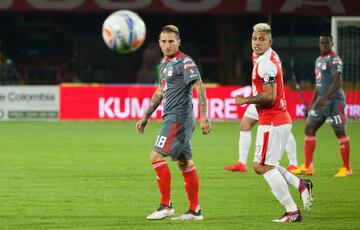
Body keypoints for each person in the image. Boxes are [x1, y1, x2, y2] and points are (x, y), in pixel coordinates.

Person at [234, 23, 313, 222]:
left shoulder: (266, 63)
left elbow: (269, 96)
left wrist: (246, 100)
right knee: (268, 164)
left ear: (270, 41)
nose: (257, 43)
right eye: (254, 39)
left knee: (262, 167)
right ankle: (301, 184)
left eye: (262, 39)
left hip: (273, 120)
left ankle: (292, 211)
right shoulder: (268, 57)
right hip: (276, 119)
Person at [136, 25, 212, 221]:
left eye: (171, 41)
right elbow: (160, 92)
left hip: (178, 118)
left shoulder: (185, 62)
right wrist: (145, 116)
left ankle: (165, 206)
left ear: (178, 42)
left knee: (155, 156)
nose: (167, 45)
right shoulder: (164, 63)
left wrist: (204, 117)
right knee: (184, 162)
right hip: (174, 118)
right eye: (163, 41)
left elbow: (199, 87)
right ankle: (195, 211)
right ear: (159, 43)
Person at [291, 34, 351, 177]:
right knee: (309, 129)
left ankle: (346, 168)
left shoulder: (335, 60)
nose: (324, 45)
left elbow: (337, 83)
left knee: (340, 132)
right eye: (321, 42)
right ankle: (308, 166)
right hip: (321, 101)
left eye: (326, 42)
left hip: (335, 101)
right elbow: (318, 85)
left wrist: (324, 98)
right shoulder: (318, 60)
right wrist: (311, 105)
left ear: (332, 43)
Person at [224, 104, 298, 172]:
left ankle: (293, 164)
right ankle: (242, 163)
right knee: (244, 125)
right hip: (258, 100)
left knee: (281, 126)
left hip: (268, 102)